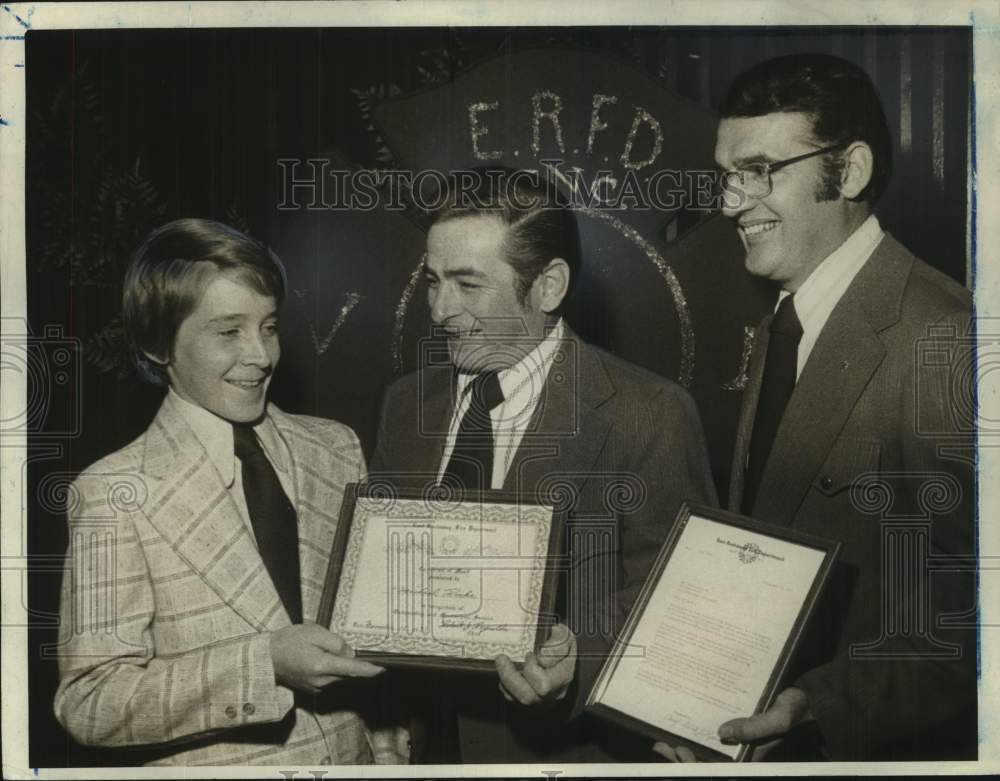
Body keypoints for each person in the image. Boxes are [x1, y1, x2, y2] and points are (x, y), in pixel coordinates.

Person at [656, 53, 976, 762]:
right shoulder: (785, 316)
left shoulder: (942, 333)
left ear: (852, 172)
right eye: (727, 175)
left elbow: (974, 608)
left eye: (761, 171)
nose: (732, 201)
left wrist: (817, 706)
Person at [369, 169, 718, 763]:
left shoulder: (649, 414)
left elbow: (683, 604)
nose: (440, 311)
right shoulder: (406, 405)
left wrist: (575, 663)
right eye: (433, 282)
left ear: (548, 286)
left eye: (467, 285)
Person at [54, 218, 408, 765]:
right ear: (156, 344)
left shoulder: (335, 449)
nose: (261, 355)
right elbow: (91, 702)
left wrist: (388, 744)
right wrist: (262, 663)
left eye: (268, 327)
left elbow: (373, 626)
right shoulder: (113, 493)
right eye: (228, 332)